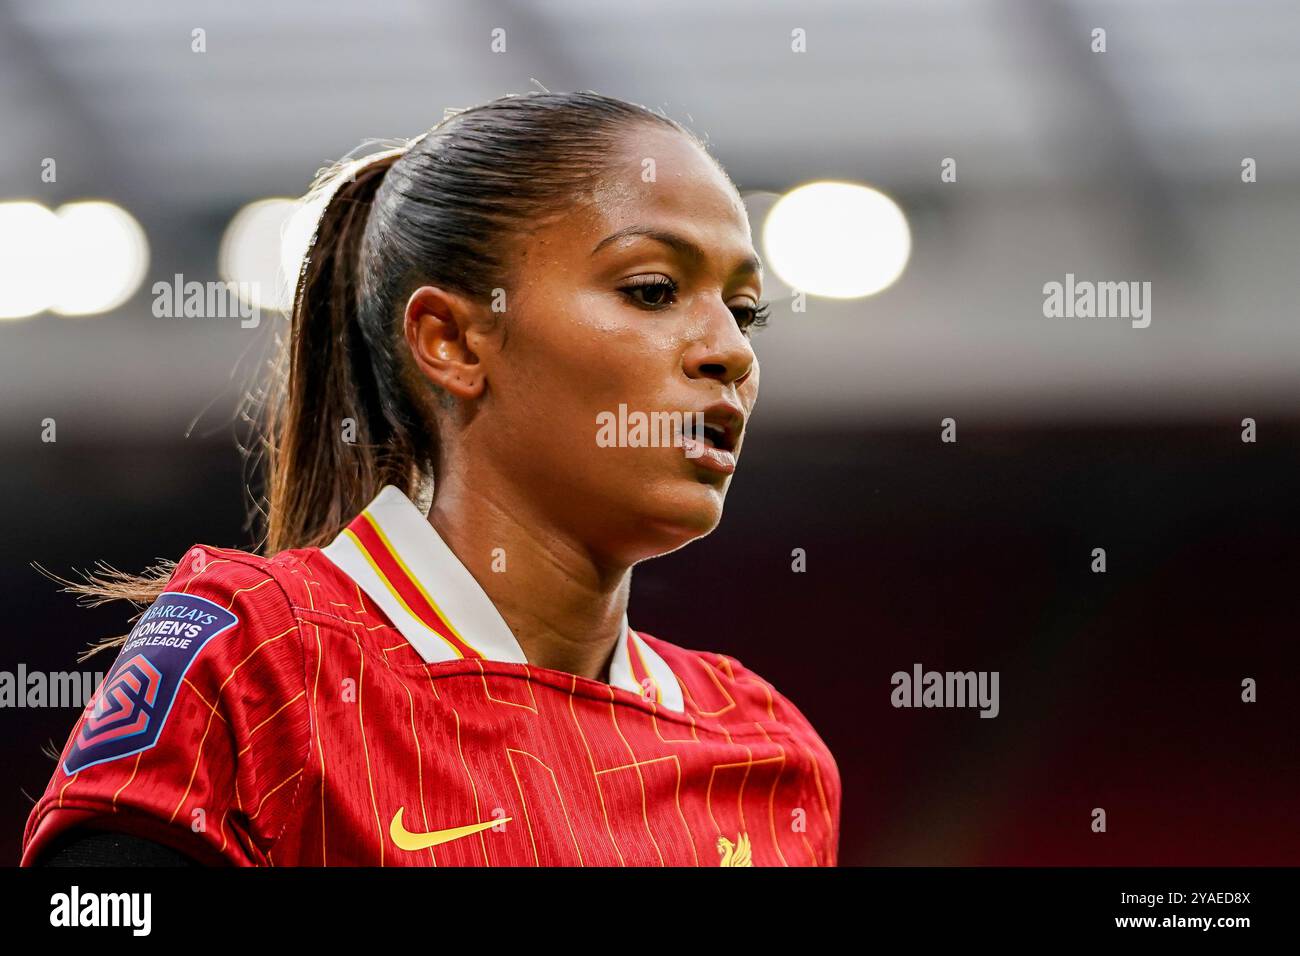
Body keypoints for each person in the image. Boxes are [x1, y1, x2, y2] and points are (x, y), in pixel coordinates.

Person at [22, 90, 841, 867]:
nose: (729, 350)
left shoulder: (768, 752)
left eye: (744, 310)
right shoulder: (260, 656)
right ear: (451, 340)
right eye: (653, 290)